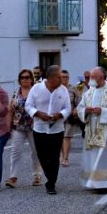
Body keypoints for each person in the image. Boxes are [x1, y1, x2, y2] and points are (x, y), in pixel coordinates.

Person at [25, 65, 70, 195]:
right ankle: (49, 175)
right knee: (42, 155)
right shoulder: (36, 88)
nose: (62, 79)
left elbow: (67, 108)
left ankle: (51, 183)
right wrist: (38, 113)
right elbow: (28, 105)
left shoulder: (63, 90)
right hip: (39, 129)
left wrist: (59, 115)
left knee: (54, 156)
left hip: (57, 129)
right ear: (50, 78)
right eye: (59, 77)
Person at [77, 67, 107, 194]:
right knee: (91, 156)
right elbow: (80, 108)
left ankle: (102, 184)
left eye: (93, 76)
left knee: (103, 156)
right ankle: (92, 181)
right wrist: (86, 111)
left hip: (106, 130)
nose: (90, 79)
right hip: (91, 128)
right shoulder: (88, 93)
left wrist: (103, 111)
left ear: (101, 78)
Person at [6, 69, 43, 188]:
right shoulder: (16, 92)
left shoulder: (36, 91)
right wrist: (8, 127)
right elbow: (10, 110)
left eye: (27, 77)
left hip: (34, 126)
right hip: (18, 126)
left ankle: (37, 175)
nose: (24, 79)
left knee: (35, 152)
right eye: (22, 77)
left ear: (31, 79)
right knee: (15, 151)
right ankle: (13, 177)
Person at [60, 69, 81, 167]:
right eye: (63, 77)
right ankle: (62, 155)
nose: (65, 79)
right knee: (59, 138)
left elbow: (79, 102)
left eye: (67, 77)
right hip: (58, 117)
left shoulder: (73, 89)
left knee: (67, 137)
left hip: (70, 117)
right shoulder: (56, 88)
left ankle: (65, 158)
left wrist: (76, 109)